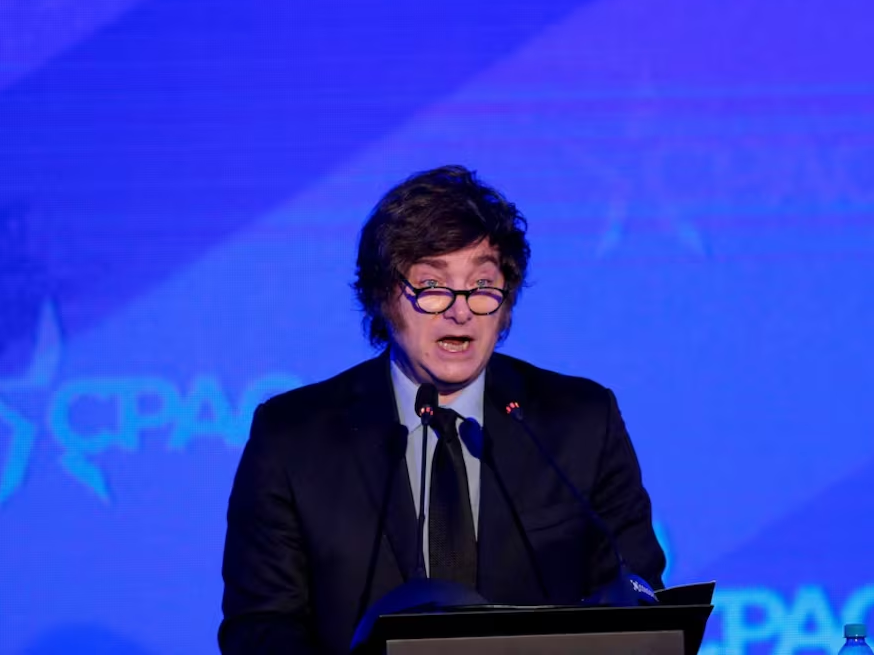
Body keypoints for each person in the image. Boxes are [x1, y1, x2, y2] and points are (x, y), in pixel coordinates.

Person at [219, 166, 665, 655]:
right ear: (382, 296)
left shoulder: (581, 422)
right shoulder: (292, 437)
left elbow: (639, 601)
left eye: (482, 284)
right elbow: (261, 626)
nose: (460, 309)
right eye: (432, 285)